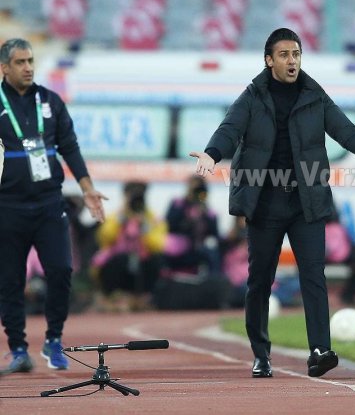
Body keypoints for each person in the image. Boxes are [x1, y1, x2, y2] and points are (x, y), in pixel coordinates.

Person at [190, 28, 355, 378]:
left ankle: (320, 350)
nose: (292, 61)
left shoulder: (313, 94)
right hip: (264, 203)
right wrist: (213, 155)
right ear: (269, 60)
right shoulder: (252, 96)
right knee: (260, 281)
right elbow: (229, 129)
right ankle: (261, 353)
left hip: (306, 202)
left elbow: (345, 130)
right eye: (285, 55)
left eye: (296, 54)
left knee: (314, 276)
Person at [0, 38, 106, 374]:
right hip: (9, 206)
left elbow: (70, 147)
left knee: (61, 270)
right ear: (4, 68)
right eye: (20, 62)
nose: (28, 67)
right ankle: (18, 349)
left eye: (30, 60)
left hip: (49, 203)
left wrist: (87, 188)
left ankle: (54, 339)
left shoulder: (50, 100)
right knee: (10, 280)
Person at [90, 181, 166, 310]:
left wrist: (144, 227)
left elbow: (158, 246)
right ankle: (114, 295)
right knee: (120, 260)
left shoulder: (152, 218)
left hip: (143, 266)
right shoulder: (116, 216)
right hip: (118, 266)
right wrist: (121, 220)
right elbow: (104, 239)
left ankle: (145, 297)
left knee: (156, 261)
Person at [163, 175, 221, 275]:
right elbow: (170, 225)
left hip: (199, 247)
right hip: (180, 245)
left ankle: (213, 282)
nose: (197, 193)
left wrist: (204, 211)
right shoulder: (178, 204)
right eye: (195, 189)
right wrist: (188, 215)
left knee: (212, 252)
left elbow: (214, 234)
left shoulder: (207, 211)